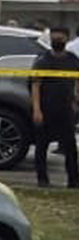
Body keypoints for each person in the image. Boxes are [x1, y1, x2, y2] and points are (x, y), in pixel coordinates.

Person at [30, 26, 79, 189]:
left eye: (60, 38)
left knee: (70, 147)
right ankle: (42, 180)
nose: (57, 41)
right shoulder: (42, 60)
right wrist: (37, 109)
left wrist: (75, 101)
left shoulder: (73, 60)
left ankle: (73, 181)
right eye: (54, 38)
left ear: (66, 39)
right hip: (46, 108)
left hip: (66, 109)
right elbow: (36, 85)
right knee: (42, 146)